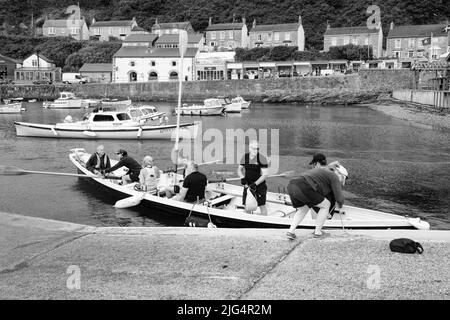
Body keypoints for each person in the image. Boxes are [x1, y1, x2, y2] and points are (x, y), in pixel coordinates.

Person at [286, 164, 348, 240]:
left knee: (303, 209)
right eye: (343, 178)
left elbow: (317, 198)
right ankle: (318, 232)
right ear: (339, 173)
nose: (341, 181)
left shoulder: (322, 172)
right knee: (326, 205)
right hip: (304, 186)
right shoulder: (333, 176)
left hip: (292, 186)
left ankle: (291, 232)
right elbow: (339, 197)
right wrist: (340, 205)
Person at [238, 140, 269, 215]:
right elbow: (239, 169)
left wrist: (255, 184)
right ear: (249, 148)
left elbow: (265, 175)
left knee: (262, 205)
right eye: (254, 148)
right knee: (247, 205)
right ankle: (247, 222)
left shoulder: (262, 158)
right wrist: (242, 177)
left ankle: (264, 222)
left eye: (257, 148)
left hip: (259, 185)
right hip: (247, 185)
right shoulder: (245, 157)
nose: (256, 150)